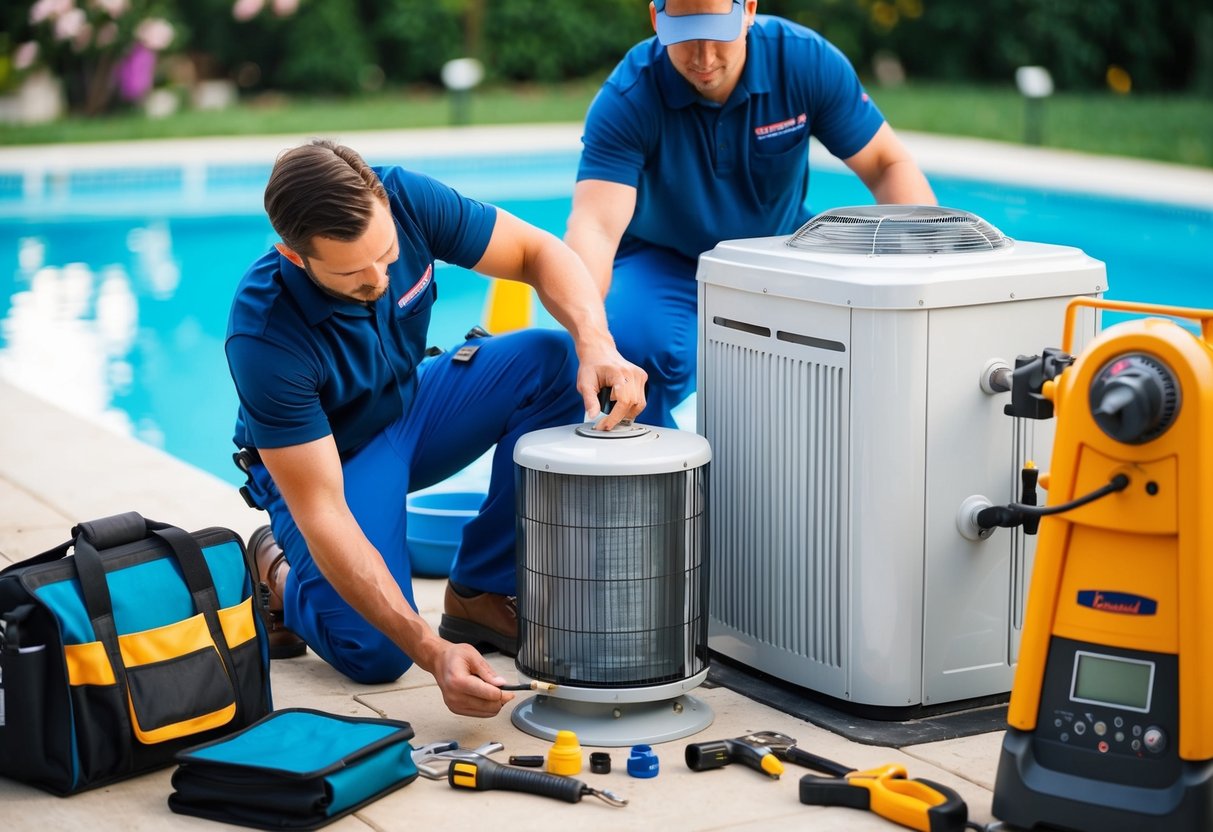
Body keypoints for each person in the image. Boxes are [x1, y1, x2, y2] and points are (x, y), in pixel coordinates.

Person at [225, 139, 646, 718]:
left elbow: (537, 251)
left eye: (388, 254)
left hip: (411, 406)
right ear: (297, 258)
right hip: (332, 463)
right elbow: (324, 512)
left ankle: (481, 589)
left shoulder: (404, 197)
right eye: (353, 272)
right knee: (376, 652)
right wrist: (431, 650)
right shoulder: (264, 336)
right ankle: (277, 568)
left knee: (553, 363)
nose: (380, 276)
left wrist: (595, 342)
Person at [565, 0, 936, 427]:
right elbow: (593, 227)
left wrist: (927, 275)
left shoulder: (803, 61)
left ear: (748, 11)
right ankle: (656, 476)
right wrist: (591, 338)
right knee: (634, 344)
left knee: (860, 340)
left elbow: (887, 165)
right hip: (665, 258)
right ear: (656, 19)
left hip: (779, 247)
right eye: (685, 34)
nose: (704, 57)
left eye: (718, 32)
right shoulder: (629, 95)